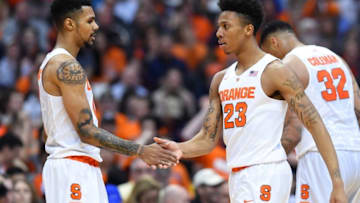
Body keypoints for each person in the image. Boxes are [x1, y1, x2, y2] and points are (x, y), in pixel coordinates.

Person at [154, 0, 347, 202]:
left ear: (248, 29)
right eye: (218, 26)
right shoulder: (220, 79)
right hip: (236, 175)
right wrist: (179, 148)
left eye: (226, 26)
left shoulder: (274, 70)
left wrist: (337, 182)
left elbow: (314, 123)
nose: (219, 33)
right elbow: (206, 139)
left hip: (266, 172)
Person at [39, 1, 179, 202]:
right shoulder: (66, 66)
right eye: (90, 21)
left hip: (74, 165)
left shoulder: (53, 63)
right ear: (69, 24)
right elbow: (86, 131)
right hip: (73, 167)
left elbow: (47, 133)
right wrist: (140, 150)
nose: (96, 26)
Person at [260, 20, 360, 203]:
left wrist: (265, 165)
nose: (271, 62)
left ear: (275, 42)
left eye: (269, 55)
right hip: (355, 154)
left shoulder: (289, 65)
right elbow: (358, 108)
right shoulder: (337, 58)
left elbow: (294, 131)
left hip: (321, 158)